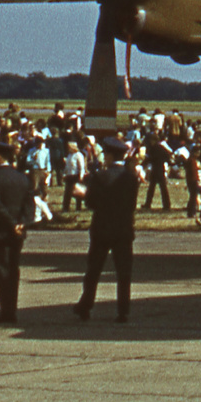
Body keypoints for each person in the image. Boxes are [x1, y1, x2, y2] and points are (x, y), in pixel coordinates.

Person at [74, 138, 140, 323]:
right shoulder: (131, 178)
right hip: (123, 229)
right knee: (123, 272)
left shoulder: (100, 176)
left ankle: (86, 306)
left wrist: (85, 194)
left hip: (102, 228)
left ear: (110, 156)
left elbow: (92, 202)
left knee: (93, 271)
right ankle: (123, 310)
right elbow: (132, 204)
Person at [0, 142, 33, 323]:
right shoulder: (22, 178)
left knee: (1, 271)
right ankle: (11, 309)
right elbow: (29, 205)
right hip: (17, 232)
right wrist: (22, 223)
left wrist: (12, 223)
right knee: (13, 270)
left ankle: (6, 311)